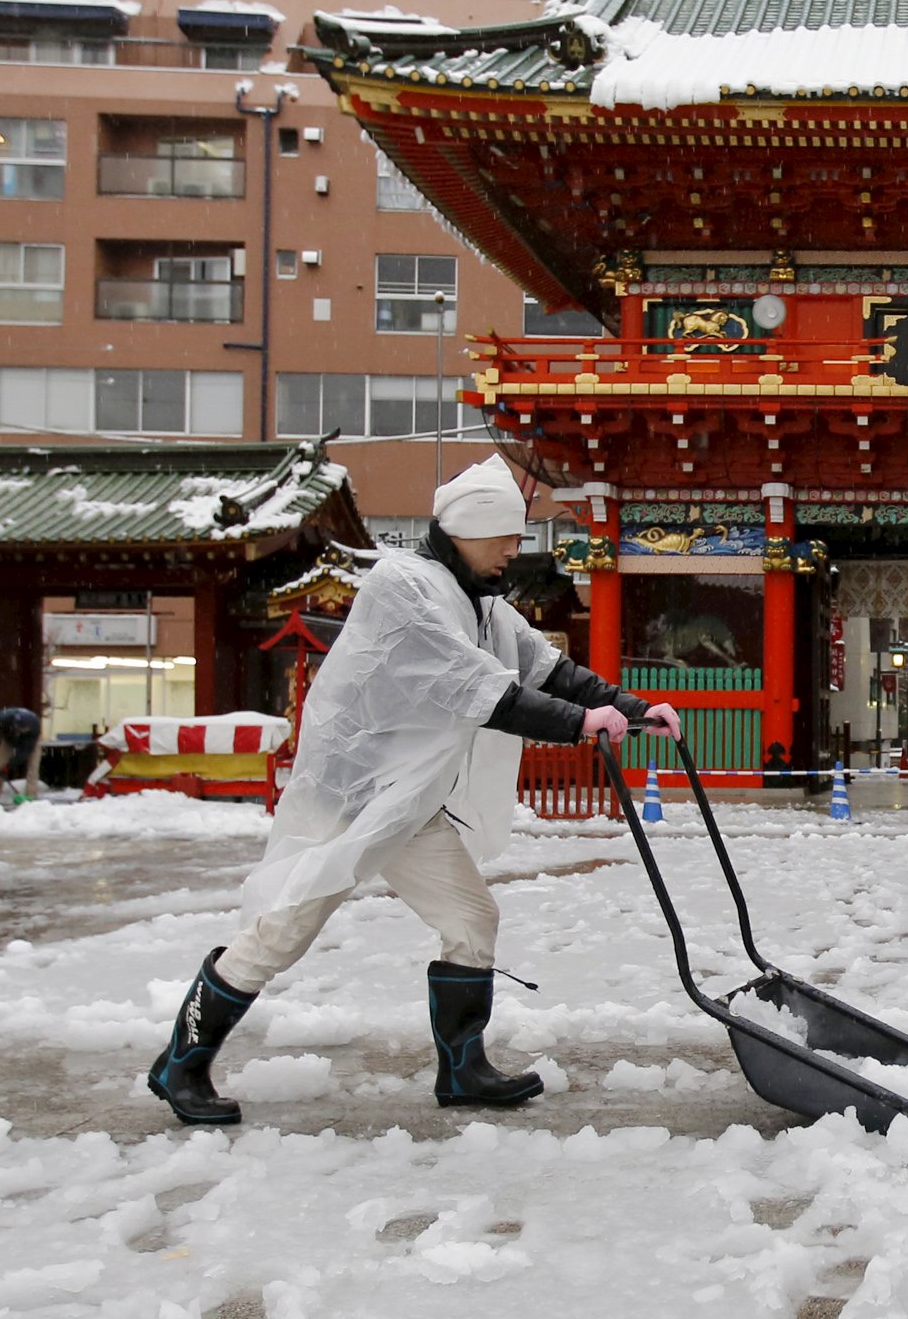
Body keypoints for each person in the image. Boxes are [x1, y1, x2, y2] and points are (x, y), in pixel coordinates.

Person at [144, 458, 678, 1126]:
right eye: (504, 537)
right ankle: (181, 1064)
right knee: (283, 930)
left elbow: (549, 669)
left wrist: (633, 706)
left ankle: (463, 1068)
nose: (515, 550)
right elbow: (480, 689)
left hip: (410, 799)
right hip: (352, 792)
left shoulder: (482, 599)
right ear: (465, 531)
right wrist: (579, 725)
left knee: (471, 918)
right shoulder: (405, 587)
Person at [0, 705, 43, 805]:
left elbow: (24, 752)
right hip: (9, 740)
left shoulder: (34, 728)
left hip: (29, 743)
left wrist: (9, 766)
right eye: (19, 728)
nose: (21, 730)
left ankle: (31, 798)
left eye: (23, 729)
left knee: (33, 768)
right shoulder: (3, 718)